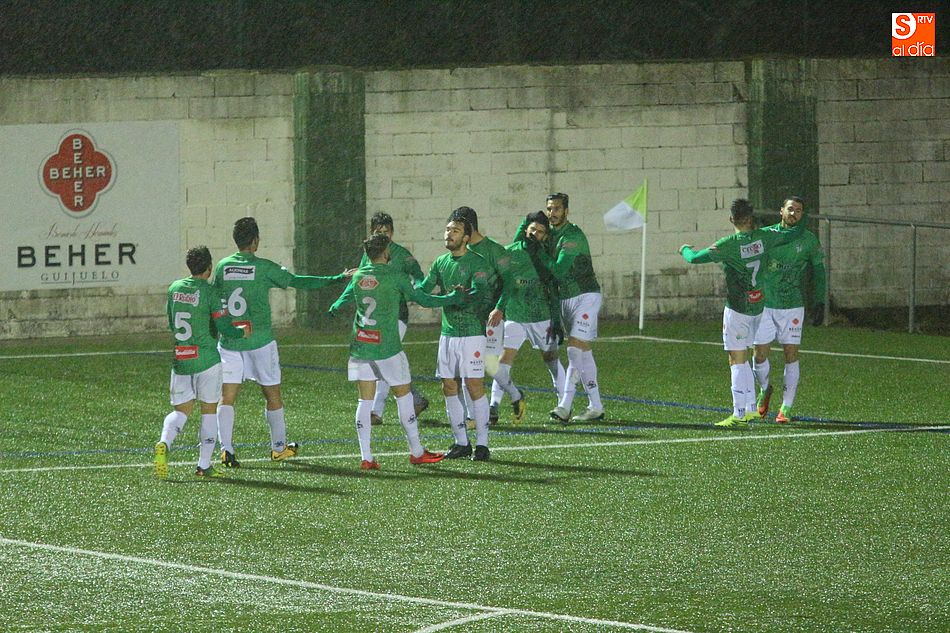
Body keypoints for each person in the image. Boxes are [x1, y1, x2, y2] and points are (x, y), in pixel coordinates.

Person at [213, 217, 354, 467]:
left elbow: (217, 302)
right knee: (273, 394)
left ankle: (226, 449)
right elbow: (299, 282)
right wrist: (337, 278)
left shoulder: (223, 267)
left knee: (227, 397)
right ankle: (278, 448)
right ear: (255, 240)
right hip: (260, 342)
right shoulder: (264, 268)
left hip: (230, 342)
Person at [329, 234, 466, 468]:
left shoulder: (358, 276)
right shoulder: (395, 276)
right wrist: (452, 297)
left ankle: (366, 457)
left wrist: (335, 306)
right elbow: (423, 299)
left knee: (365, 400)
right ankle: (416, 451)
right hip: (388, 348)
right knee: (403, 396)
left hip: (361, 346)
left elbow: (347, 299)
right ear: (386, 253)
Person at [679, 198, 796, 428]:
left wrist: (684, 249)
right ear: (751, 219)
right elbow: (786, 233)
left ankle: (738, 412)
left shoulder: (728, 244)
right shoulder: (765, 236)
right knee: (746, 356)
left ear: (732, 219)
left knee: (736, 359)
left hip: (737, 309)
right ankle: (752, 409)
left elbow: (693, 258)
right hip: (757, 307)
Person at [154, 246, 248, 479]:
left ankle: (165, 442)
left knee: (181, 410)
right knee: (208, 410)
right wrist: (240, 332)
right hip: (206, 359)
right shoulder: (210, 292)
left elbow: (170, 322)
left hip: (181, 358)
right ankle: (204, 465)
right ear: (208, 267)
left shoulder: (174, 288)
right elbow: (224, 327)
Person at [416, 212, 494, 460]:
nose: (449, 234)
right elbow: (424, 290)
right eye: (447, 229)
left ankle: (482, 444)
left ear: (467, 238)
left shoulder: (478, 263)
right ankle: (461, 442)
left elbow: (482, 294)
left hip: (472, 333)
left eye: (455, 231)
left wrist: (466, 294)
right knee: (448, 385)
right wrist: (405, 288)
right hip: (448, 334)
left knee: (473, 385)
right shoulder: (440, 263)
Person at [752, 197, 827, 423]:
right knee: (759, 354)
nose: (794, 213)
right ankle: (765, 389)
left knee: (791, 354)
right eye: (790, 209)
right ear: (781, 211)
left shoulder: (809, 240)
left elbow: (819, 271)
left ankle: (786, 407)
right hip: (765, 304)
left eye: (799, 211)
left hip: (792, 305)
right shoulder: (766, 235)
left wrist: (819, 301)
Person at [487, 210, 565, 422]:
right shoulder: (511, 251)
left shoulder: (546, 258)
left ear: (545, 236)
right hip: (517, 314)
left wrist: (557, 321)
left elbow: (554, 288)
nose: (535, 234)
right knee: (504, 359)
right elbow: (505, 283)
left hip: (541, 316)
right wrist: (500, 307)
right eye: (532, 230)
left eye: (540, 231)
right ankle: (493, 406)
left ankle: (563, 404)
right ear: (525, 230)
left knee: (551, 358)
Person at [355, 213, 429, 427]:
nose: (384, 235)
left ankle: (375, 412)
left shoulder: (402, 254)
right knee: (383, 364)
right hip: (376, 319)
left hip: (397, 316)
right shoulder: (370, 254)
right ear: (372, 232)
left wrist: (418, 288)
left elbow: (418, 274)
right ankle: (416, 398)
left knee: (382, 360)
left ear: (392, 232)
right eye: (379, 232)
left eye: (387, 231)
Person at [543, 192, 604, 423]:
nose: (552, 213)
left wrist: (538, 254)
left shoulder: (572, 235)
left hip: (585, 295)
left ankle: (565, 405)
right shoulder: (549, 236)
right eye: (549, 209)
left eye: (556, 209)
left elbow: (557, 270)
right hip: (565, 299)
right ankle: (596, 405)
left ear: (566, 211)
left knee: (574, 349)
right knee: (584, 352)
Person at [448, 206, 508, 424]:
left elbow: (509, 282)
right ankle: (473, 417)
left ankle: (508, 398)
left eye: (458, 228)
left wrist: (499, 307)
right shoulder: (457, 255)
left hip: (490, 317)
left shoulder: (494, 250)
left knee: (487, 366)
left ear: (469, 228)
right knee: (464, 373)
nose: (452, 233)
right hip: (466, 320)